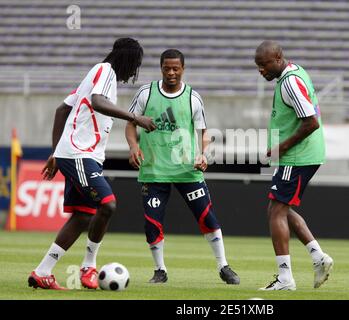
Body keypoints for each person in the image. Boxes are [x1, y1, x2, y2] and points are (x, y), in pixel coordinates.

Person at [28, 38, 156, 290]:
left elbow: (61, 110)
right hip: (79, 154)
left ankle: (43, 271)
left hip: (77, 154)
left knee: (82, 216)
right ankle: (89, 266)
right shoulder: (105, 71)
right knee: (107, 205)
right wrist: (135, 117)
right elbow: (98, 102)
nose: (134, 71)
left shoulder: (94, 75)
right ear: (126, 58)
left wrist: (56, 153)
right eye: (135, 64)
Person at [125, 49, 240, 285]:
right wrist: (133, 147)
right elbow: (130, 124)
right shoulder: (146, 93)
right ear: (161, 68)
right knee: (152, 222)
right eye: (167, 68)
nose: (171, 73)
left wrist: (203, 154)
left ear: (183, 69)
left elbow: (203, 132)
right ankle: (160, 270)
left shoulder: (193, 98)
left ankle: (223, 266)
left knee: (207, 217)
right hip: (154, 170)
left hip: (187, 170)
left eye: (175, 68)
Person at [254, 40, 333, 291]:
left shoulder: (289, 82)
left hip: (297, 157)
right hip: (300, 155)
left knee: (276, 211)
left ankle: (285, 278)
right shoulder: (293, 73)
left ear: (278, 58)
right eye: (257, 66)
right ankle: (318, 257)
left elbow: (311, 122)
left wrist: (283, 147)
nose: (261, 70)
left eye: (264, 65)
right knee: (280, 209)